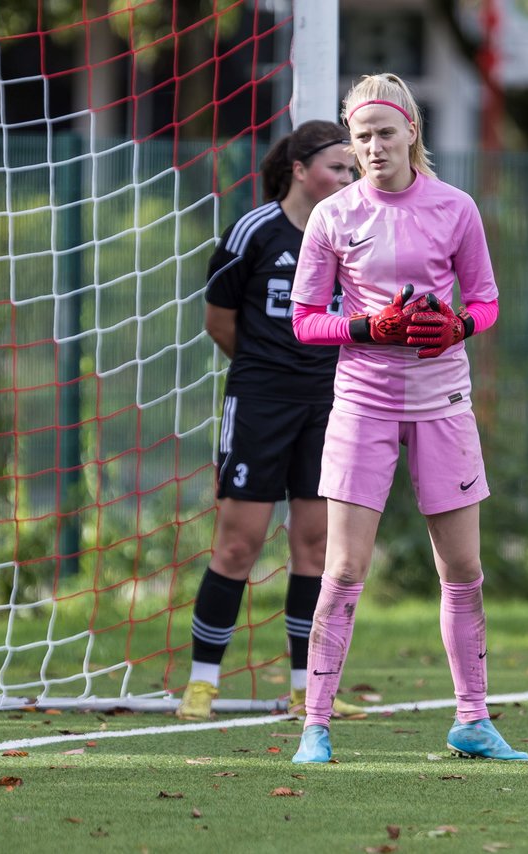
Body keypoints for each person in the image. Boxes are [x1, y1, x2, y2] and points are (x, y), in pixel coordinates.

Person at [286, 73, 528, 763]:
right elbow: (305, 321)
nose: (372, 147)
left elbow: (484, 301)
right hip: (362, 406)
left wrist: (456, 328)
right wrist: (368, 326)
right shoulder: (334, 215)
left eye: (384, 133)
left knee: (463, 568)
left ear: (412, 132)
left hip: (443, 404)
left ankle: (473, 720)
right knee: (342, 569)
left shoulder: (455, 208)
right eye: (360, 137)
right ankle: (315, 726)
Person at [177, 120, 365, 722]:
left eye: (351, 170)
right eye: (337, 166)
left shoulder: (355, 233)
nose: (346, 178)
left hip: (329, 405)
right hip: (259, 404)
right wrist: (267, 371)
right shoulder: (254, 232)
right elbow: (218, 319)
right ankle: (202, 683)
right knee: (239, 543)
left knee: (314, 546)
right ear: (300, 169)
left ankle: (304, 688)